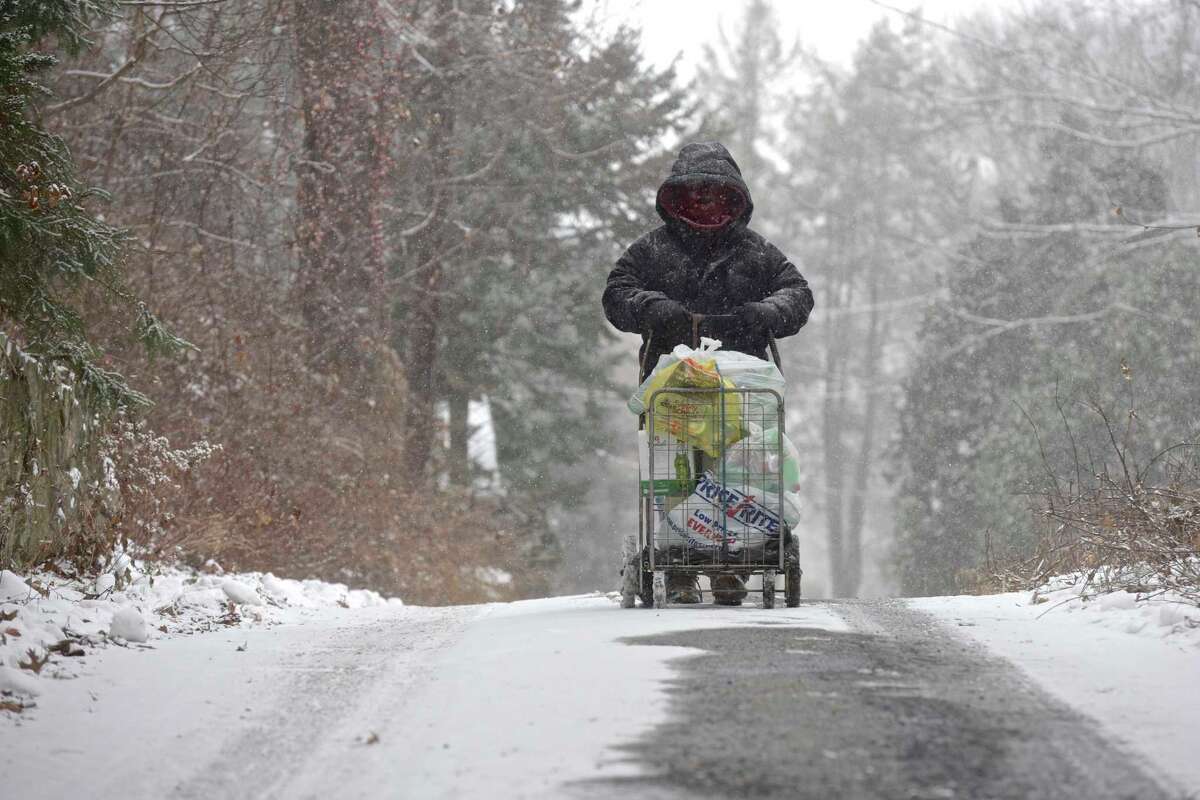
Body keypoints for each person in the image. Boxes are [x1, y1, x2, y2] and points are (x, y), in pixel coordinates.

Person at [603, 141, 814, 606]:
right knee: (676, 472)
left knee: (741, 474)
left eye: (715, 195)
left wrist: (762, 313)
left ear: (733, 199)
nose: (706, 206)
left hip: (742, 390)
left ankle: (732, 562)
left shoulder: (755, 253)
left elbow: (796, 294)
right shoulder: (653, 251)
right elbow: (618, 294)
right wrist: (653, 308)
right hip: (674, 388)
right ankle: (679, 562)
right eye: (696, 195)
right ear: (678, 198)